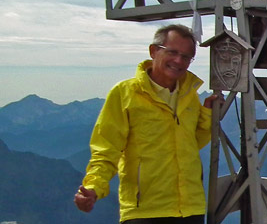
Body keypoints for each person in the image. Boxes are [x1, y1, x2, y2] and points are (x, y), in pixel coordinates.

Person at [74, 24, 218, 224]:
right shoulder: (126, 94)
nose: (179, 60)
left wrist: (207, 115)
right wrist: (93, 188)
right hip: (145, 211)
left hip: (190, 209)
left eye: (186, 56)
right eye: (173, 52)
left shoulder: (188, 95)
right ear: (153, 51)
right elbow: (106, 150)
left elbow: (191, 144)